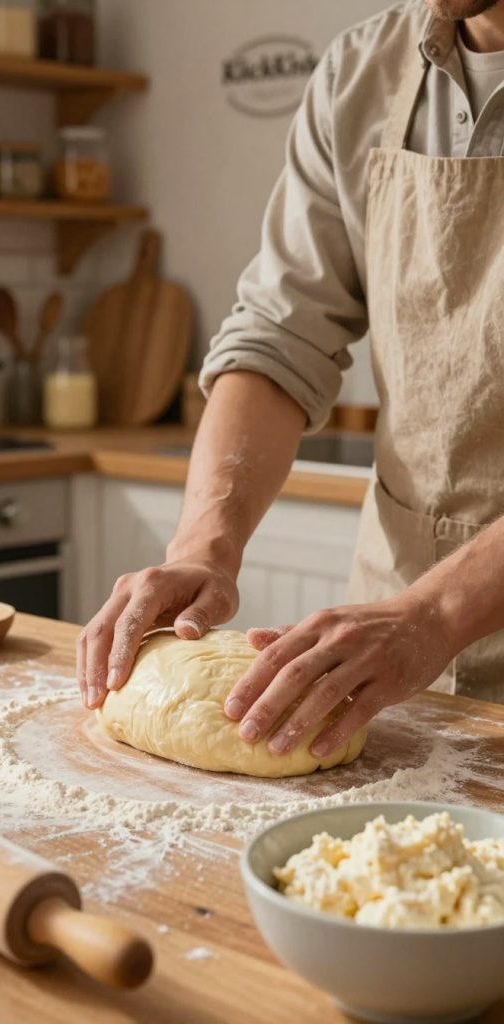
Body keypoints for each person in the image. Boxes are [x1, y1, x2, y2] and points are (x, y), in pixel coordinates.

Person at [77, 0, 504, 760]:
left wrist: (437, 613)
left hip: (419, 619)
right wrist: (202, 547)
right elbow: (280, 334)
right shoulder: (359, 74)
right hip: (398, 652)